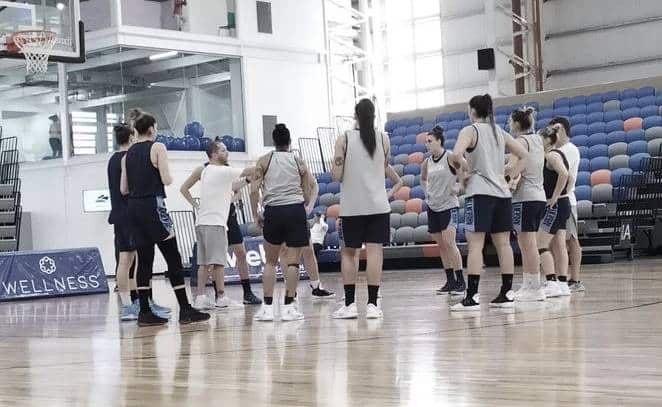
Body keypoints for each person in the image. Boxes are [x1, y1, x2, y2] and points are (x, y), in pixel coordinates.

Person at [121, 112, 210, 326]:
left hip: (133, 209)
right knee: (173, 256)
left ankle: (144, 312)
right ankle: (185, 309)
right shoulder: (158, 147)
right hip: (153, 205)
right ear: (151, 129)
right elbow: (167, 179)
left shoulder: (127, 155)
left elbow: (123, 188)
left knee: (144, 260)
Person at [449, 94, 528, 311]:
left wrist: (463, 173)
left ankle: (472, 296)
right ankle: (507, 291)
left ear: (473, 111)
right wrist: (510, 174)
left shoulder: (470, 130)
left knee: (475, 245)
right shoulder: (499, 132)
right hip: (502, 194)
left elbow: (456, 155)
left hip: (480, 192)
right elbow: (524, 156)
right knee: (504, 244)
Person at [331, 98, 403, 319]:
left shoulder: (344, 139)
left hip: (352, 206)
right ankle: (373, 304)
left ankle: (350, 305)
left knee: (349, 253)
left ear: (355, 115)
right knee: (375, 253)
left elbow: (336, 175)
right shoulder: (383, 139)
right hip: (378, 205)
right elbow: (382, 168)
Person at [250, 123, 317, 322]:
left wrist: (256, 215)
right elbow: (306, 192)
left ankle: (268, 308)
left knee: (271, 262)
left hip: (273, 211)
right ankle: (289, 308)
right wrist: (302, 207)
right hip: (295, 210)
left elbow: (254, 190)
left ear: (274, 141)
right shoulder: (299, 161)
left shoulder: (264, 161)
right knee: (294, 262)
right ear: (289, 142)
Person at [179, 153, 263, 306]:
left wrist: (246, 182)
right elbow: (184, 188)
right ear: (214, 154)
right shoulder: (204, 170)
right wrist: (195, 205)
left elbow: (231, 188)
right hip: (214, 217)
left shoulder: (225, 169)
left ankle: (246, 292)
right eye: (223, 150)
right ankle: (218, 296)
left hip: (227, 214)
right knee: (213, 261)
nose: (227, 153)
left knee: (240, 253)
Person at [507, 108, 548, 302]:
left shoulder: (520, 142)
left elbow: (512, 169)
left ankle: (533, 287)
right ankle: (531, 284)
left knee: (527, 245)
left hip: (525, 197)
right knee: (530, 243)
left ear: (515, 123)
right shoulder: (538, 140)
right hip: (538, 195)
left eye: (510, 121)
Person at [420, 125, 465, 296]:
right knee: (441, 246)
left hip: (449, 206)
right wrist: (427, 192)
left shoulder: (450, 157)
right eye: (426, 142)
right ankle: (450, 281)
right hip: (433, 207)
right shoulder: (427, 162)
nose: (427, 144)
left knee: (449, 242)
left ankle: (461, 281)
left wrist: (459, 186)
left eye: (430, 141)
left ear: (439, 141)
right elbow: (423, 179)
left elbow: (465, 172)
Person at [107, 124, 140, 320]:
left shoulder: (113, 159)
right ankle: (127, 305)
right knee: (125, 260)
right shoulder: (126, 159)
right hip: (126, 215)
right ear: (130, 138)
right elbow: (125, 189)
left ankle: (135, 301)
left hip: (123, 215)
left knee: (131, 261)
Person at [549, 117, 584, 292]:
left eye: (556, 129)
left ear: (563, 130)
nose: (553, 132)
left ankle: (575, 279)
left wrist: (561, 195)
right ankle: (558, 278)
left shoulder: (568, 150)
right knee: (556, 242)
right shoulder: (555, 150)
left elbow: (568, 177)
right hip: (557, 200)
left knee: (571, 241)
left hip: (566, 200)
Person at [537, 125, 572, 298]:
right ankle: (562, 283)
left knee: (540, 244)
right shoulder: (559, 154)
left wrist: (555, 196)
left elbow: (564, 174)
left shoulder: (551, 155)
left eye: (539, 138)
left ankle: (551, 282)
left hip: (556, 204)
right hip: (563, 203)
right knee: (559, 246)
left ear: (547, 140)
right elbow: (570, 177)